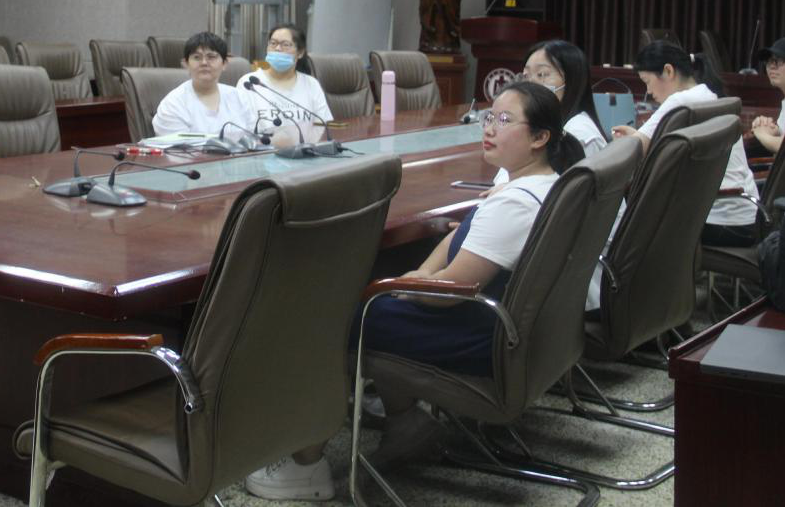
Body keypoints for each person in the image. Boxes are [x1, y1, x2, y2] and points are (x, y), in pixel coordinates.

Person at [244, 82, 585, 501]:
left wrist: (402, 290)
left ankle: (304, 465)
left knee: (337, 318)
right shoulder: (541, 184)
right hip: (502, 326)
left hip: (479, 335)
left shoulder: (512, 204)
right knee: (382, 289)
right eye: (489, 116)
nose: (490, 127)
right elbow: (466, 230)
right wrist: (419, 274)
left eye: (504, 120)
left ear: (539, 137)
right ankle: (406, 423)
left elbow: (452, 289)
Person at [491, 40, 614, 311]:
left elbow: (544, 208)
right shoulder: (554, 127)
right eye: (526, 75)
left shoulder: (577, 135)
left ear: (572, 81)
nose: (531, 83)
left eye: (542, 74)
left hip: (575, 276)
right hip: (563, 260)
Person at [612, 41, 759, 247]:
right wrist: (637, 136)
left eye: (647, 82)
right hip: (745, 216)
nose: (648, 91)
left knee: (633, 229)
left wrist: (626, 140)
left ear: (668, 71)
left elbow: (636, 147)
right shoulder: (708, 94)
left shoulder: (681, 101)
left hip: (720, 219)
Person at [151, 31, 258, 137]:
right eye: (197, 57)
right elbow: (178, 146)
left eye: (211, 57)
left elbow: (253, 139)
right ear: (186, 64)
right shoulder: (173, 104)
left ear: (224, 64)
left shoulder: (239, 98)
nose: (204, 63)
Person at [248, 23, 333, 148]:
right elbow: (242, 131)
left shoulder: (311, 84)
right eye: (273, 43)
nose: (277, 48)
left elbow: (322, 127)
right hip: (262, 153)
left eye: (285, 45)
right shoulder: (250, 83)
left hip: (306, 152)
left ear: (300, 52)